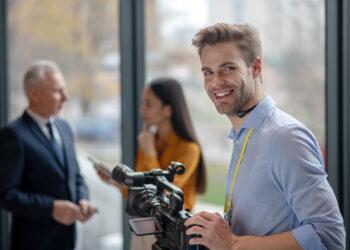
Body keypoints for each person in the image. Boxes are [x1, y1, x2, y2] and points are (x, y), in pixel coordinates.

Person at [184, 23, 345, 250]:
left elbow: (329, 237)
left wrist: (234, 243)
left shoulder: (284, 138)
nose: (216, 82)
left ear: (256, 67)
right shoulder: (245, 134)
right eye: (208, 72)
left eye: (228, 68)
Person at [97, 77, 206, 249]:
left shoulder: (188, 149)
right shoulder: (150, 141)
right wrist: (117, 183)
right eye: (143, 103)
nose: (142, 109)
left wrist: (149, 152)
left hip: (171, 236)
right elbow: (142, 195)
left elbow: (162, 196)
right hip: (143, 229)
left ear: (168, 109)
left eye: (149, 104)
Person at [0, 60, 97, 250]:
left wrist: (83, 199)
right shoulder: (13, 135)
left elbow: (75, 176)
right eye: (57, 91)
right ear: (34, 93)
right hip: (33, 242)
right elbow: (6, 195)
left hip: (68, 240)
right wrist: (51, 208)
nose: (65, 97)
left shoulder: (65, 128)